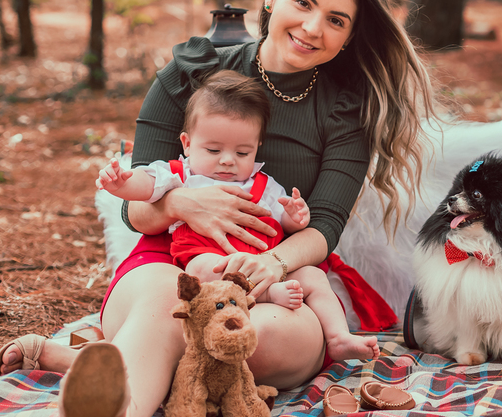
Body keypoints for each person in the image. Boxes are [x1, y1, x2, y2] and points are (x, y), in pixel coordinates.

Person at [0, 0, 435, 417]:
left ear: (349, 35)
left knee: (247, 332)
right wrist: (179, 203)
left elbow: (323, 228)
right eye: (303, 3)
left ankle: (100, 362)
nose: (313, 28)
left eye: (336, 20)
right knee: (174, 306)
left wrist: (272, 265)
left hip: (276, 279)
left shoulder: (346, 109)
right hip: (170, 259)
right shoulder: (191, 72)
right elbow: (138, 208)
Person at [95, 70, 380, 363]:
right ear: (187, 143)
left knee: (314, 276)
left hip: (263, 262)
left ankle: (338, 337)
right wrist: (121, 183)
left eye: (242, 152)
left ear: (256, 148)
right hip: (207, 255)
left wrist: (296, 215)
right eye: (214, 149)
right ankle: (267, 295)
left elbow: (283, 219)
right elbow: (147, 185)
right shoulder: (182, 174)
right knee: (201, 272)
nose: (228, 160)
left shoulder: (263, 184)